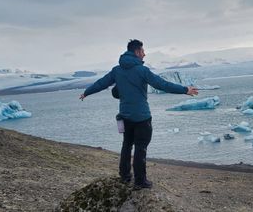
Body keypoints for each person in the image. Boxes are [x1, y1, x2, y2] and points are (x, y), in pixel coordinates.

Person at [80, 39, 198, 189]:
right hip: (142, 117)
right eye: (142, 51)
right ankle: (140, 181)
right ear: (136, 52)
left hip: (125, 117)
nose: (144, 54)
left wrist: (86, 92)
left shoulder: (117, 70)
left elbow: (101, 83)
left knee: (126, 146)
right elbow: (162, 84)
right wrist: (184, 90)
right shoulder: (142, 70)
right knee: (140, 148)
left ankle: (124, 176)